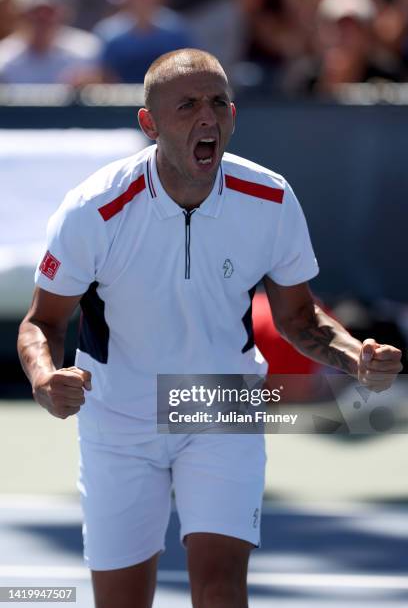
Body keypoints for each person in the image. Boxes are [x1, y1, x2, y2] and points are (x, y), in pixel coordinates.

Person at [17, 48, 402, 608]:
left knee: (221, 588)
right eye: (188, 104)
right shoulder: (93, 209)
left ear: (234, 115)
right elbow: (42, 321)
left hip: (220, 404)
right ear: (148, 123)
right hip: (120, 414)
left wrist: (353, 356)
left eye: (219, 102)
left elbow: (300, 318)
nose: (208, 117)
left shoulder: (270, 198)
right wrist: (45, 377)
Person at [0, 0, 101, 84]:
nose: (42, 18)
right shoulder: (4, 56)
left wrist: (88, 87)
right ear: (22, 16)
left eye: (49, 12)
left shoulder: (87, 49)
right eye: (35, 12)